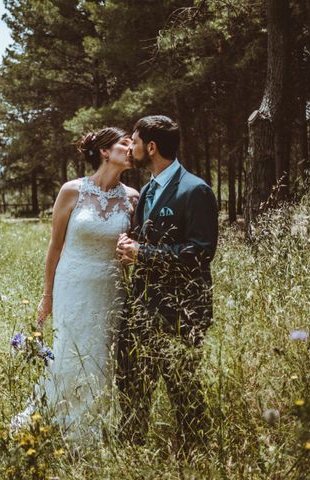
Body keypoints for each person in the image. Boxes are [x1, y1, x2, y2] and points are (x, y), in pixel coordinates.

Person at [11, 127, 139, 440]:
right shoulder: (73, 191)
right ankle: (50, 417)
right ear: (105, 152)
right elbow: (55, 246)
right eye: (125, 144)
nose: (132, 149)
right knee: (69, 351)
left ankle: (87, 428)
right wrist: (47, 295)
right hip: (73, 284)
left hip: (112, 289)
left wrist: (129, 255)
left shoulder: (134, 197)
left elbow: (132, 248)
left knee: (100, 355)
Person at [115, 115, 218, 451]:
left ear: (152, 146)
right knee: (132, 387)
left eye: (135, 140)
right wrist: (127, 244)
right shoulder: (147, 190)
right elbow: (143, 236)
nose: (131, 146)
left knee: (183, 391)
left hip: (182, 311)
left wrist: (143, 254)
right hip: (142, 307)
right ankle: (132, 454)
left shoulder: (196, 190)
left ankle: (196, 458)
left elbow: (200, 253)